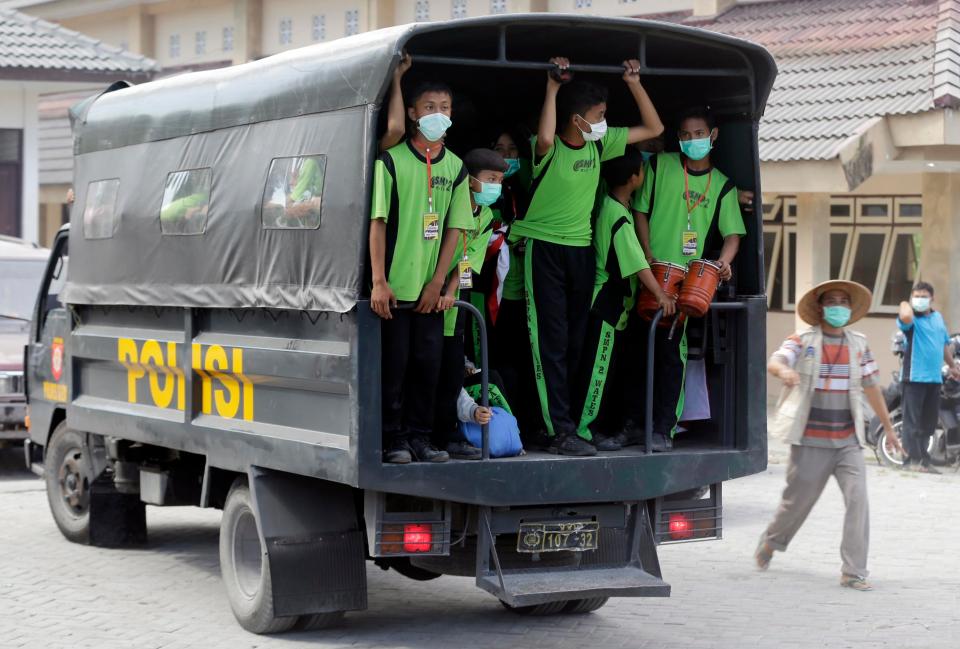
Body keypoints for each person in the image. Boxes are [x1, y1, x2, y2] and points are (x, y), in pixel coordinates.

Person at [508, 56, 664, 456]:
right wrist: (553, 88)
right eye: (598, 115)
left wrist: (634, 83)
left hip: (580, 251)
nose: (604, 121)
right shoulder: (550, 148)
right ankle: (557, 430)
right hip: (543, 249)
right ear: (577, 120)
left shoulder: (602, 143)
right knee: (551, 343)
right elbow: (545, 136)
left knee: (576, 341)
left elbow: (654, 128)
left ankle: (571, 424)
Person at [758, 280, 901, 592]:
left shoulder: (859, 344)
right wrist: (784, 372)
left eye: (844, 301)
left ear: (849, 310)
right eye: (832, 300)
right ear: (821, 307)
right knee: (796, 503)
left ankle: (853, 571)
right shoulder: (804, 339)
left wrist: (889, 430)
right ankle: (771, 541)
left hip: (849, 442)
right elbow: (776, 359)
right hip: (810, 440)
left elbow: (872, 386)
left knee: (858, 500)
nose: (838, 305)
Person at [369, 78, 474, 464]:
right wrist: (379, 281)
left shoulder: (458, 167)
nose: (438, 114)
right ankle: (392, 439)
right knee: (394, 369)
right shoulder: (391, 161)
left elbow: (456, 229)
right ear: (413, 114)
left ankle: (420, 437)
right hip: (394, 289)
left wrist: (439, 283)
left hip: (430, 292)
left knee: (427, 367)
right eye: (429, 107)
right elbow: (377, 222)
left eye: (444, 106)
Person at [631, 106, 745, 450]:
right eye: (684, 135)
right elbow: (640, 211)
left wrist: (723, 263)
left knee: (670, 359)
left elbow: (733, 235)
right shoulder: (660, 164)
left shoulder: (724, 186)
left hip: (687, 285)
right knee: (635, 353)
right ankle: (631, 425)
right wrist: (647, 256)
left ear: (713, 136)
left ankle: (663, 429)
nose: (691, 140)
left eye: (698, 134)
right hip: (649, 276)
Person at [572, 149, 675, 450]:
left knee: (606, 370)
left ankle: (593, 426)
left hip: (614, 308)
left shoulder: (615, 205)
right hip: (606, 305)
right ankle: (583, 429)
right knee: (597, 370)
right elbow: (637, 263)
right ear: (633, 179)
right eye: (642, 171)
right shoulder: (616, 214)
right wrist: (660, 293)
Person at [433, 148, 508, 460]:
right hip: (428, 287)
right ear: (471, 180)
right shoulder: (452, 201)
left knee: (452, 367)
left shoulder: (487, 215)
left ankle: (447, 435)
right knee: (426, 367)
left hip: (455, 295)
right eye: (490, 179)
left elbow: (469, 261)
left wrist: (451, 289)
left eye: (500, 181)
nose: (495, 186)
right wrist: (439, 285)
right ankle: (421, 435)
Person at [897, 281, 960, 473]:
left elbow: (943, 345)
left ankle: (923, 461)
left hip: (934, 379)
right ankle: (911, 461)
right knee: (912, 422)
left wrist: (952, 366)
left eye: (924, 297)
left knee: (928, 423)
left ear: (932, 298)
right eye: (916, 296)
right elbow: (905, 314)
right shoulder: (911, 321)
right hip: (913, 378)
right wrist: (904, 302)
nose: (920, 300)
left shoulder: (938, 318)